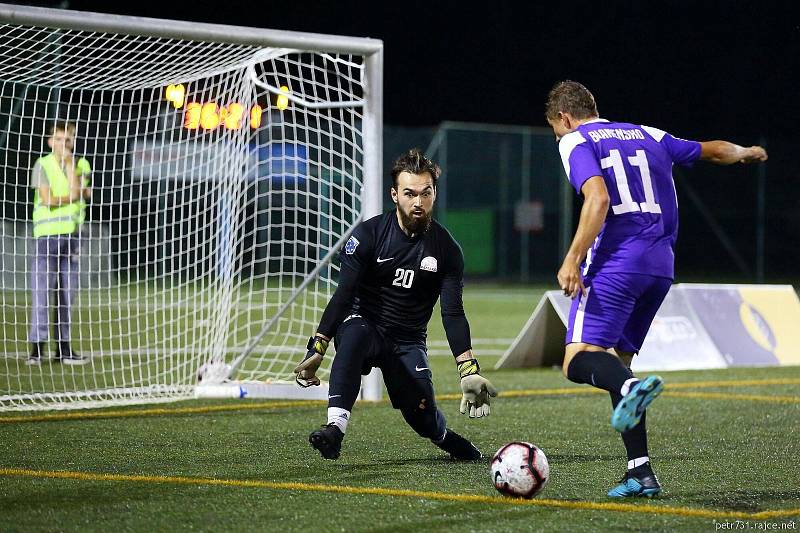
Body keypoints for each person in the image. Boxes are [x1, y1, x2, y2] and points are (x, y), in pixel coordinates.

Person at [545, 80, 767, 497]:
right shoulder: (648, 134)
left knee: (577, 361)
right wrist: (746, 153)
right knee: (618, 367)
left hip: (615, 264)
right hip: (660, 268)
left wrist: (572, 258)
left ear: (564, 117)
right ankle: (640, 473)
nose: (560, 136)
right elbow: (712, 149)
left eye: (557, 129)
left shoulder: (575, 140)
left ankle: (631, 389)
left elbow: (598, 200)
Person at [293, 148, 498, 461]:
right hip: (365, 323)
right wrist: (317, 348)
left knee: (423, 417)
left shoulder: (447, 250)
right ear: (394, 195)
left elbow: (453, 313)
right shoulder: (367, 236)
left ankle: (445, 437)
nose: (418, 202)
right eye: (409, 193)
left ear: (434, 193)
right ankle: (335, 428)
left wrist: (468, 370)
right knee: (355, 335)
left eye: (425, 193)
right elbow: (344, 295)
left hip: (407, 341)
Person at [27, 120, 92, 365]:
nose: (63, 144)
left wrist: (69, 165)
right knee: (42, 292)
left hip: (73, 236)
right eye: (58, 139)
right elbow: (47, 199)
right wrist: (66, 196)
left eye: (68, 139)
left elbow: (79, 192)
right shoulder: (42, 164)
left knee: (67, 294)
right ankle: (36, 349)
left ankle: (64, 350)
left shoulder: (81, 164)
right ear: (49, 141)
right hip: (47, 237)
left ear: (73, 141)